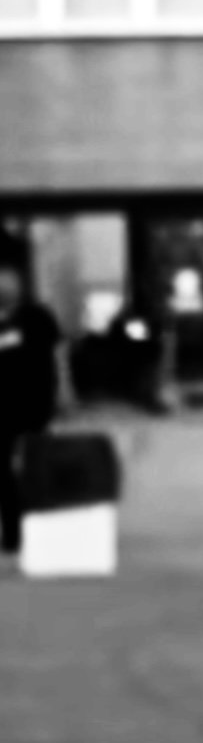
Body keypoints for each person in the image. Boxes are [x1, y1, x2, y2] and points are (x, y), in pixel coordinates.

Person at [0, 237, 61, 561]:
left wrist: (66, 391)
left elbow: (57, 354)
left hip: (34, 404)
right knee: (4, 473)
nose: (5, 284)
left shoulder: (37, 316)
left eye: (10, 278)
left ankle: (44, 528)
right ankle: (13, 533)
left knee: (35, 467)